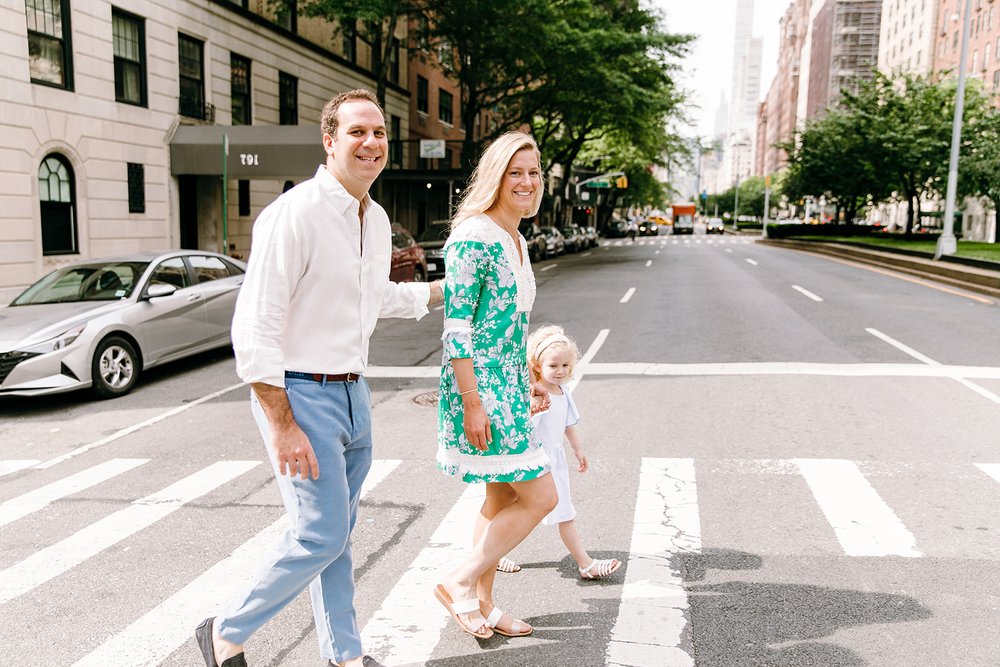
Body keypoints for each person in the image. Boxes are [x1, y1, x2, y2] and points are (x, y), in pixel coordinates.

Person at [195, 89, 442, 667]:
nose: (372, 142)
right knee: (319, 534)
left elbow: (370, 295)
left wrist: (440, 291)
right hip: (300, 394)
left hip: (355, 393)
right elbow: (254, 328)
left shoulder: (375, 218)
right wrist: (281, 424)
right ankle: (226, 631)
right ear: (329, 141)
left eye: (379, 133)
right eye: (358, 132)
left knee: (337, 535)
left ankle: (345, 655)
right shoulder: (295, 213)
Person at [434, 131, 558, 640]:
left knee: (498, 499)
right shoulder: (473, 236)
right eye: (516, 172)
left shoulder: (516, 238)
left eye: (533, 173)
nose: (527, 182)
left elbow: (510, 327)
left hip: (507, 385)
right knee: (540, 496)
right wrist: (473, 404)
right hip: (479, 390)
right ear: (496, 178)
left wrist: (526, 381)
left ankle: (483, 605)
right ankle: (457, 581)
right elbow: (457, 329)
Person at [525, 324, 621, 580]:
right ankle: (585, 563)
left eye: (565, 365)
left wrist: (578, 450)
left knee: (552, 511)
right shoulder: (537, 395)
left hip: (555, 461)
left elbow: (566, 424)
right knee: (546, 511)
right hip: (537, 462)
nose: (560, 371)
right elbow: (527, 431)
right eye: (553, 365)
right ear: (537, 366)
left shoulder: (563, 393)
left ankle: (492, 553)